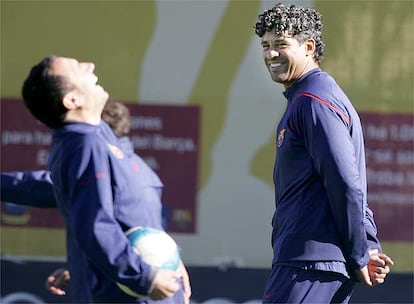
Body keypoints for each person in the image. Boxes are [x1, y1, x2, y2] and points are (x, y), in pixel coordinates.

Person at [20, 55, 191, 303]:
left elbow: (126, 217)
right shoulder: (83, 144)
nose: (90, 65)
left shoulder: (97, 137)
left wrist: (168, 258)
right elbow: (95, 225)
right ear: (72, 100)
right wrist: (146, 277)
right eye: (77, 68)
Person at [254, 3, 393, 303]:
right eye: (265, 45)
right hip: (315, 265)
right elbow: (349, 183)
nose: (270, 54)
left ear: (308, 46)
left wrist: (359, 254)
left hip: (308, 267)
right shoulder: (312, 96)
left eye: (281, 44)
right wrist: (367, 247)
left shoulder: (312, 100)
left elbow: (345, 182)